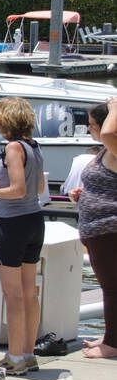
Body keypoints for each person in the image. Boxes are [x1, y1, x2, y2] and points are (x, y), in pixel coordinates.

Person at [0, 97, 47, 376]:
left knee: (13, 294)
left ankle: (15, 356)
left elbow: (17, 189)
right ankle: (28, 353)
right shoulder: (34, 147)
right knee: (29, 291)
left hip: (11, 223)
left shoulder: (13, 148)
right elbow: (37, 185)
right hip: (33, 220)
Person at [72, 98, 117, 360]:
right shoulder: (104, 152)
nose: (89, 129)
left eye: (91, 125)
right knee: (109, 287)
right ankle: (111, 335)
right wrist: (84, 194)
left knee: (112, 287)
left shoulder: (114, 146)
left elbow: (111, 131)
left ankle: (112, 344)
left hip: (109, 230)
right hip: (99, 230)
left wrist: (114, 107)